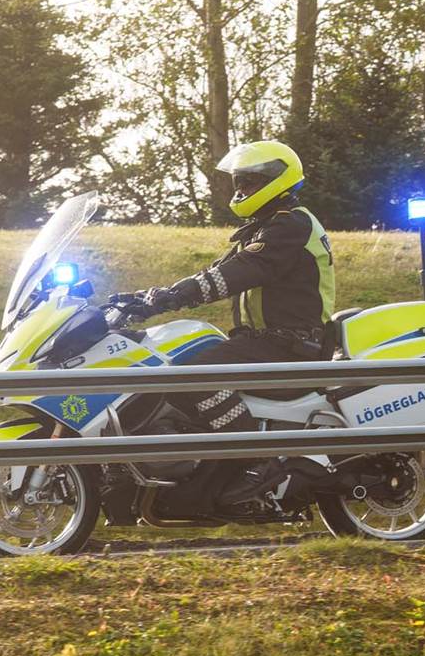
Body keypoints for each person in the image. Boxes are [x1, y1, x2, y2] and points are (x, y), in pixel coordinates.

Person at [114, 139, 335, 452]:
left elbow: (235, 274)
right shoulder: (267, 225)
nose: (242, 189)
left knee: (196, 377)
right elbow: (216, 271)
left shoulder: (291, 225)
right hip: (267, 342)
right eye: (239, 181)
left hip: (290, 346)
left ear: (276, 181)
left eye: (250, 181)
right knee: (176, 362)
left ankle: (252, 459)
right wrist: (142, 300)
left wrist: (169, 299)